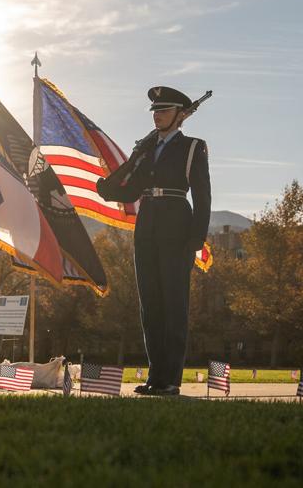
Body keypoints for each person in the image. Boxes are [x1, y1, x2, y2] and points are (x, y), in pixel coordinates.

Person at [96, 86, 211, 396]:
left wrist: (196, 238)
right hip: (147, 226)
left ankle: (171, 379)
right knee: (151, 306)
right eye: (155, 111)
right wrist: (107, 190)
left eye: (164, 110)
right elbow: (133, 190)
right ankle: (155, 377)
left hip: (177, 225)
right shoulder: (147, 150)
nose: (157, 115)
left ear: (180, 115)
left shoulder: (192, 147)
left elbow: (203, 195)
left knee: (174, 305)